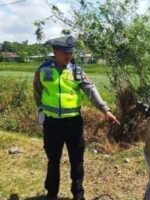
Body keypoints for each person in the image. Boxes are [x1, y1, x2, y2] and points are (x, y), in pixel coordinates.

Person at [33, 35, 120, 200]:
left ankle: (78, 195)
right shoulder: (43, 70)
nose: (68, 56)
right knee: (53, 160)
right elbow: (37, 93)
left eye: (71, 52)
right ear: (55, 52)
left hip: (73, 123)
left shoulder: (77, 71)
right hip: (52, 124)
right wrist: (42, 111)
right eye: (65, 52)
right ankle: (51, 194)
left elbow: (91, 91)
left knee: (76, 159)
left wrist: (105, 109)